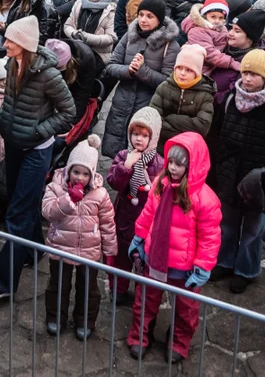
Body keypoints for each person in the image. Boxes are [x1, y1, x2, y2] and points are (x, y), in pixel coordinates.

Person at [0, 16, 76, 301]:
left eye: (10, 40)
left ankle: (2, 283)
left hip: (36, 151)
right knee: (19, 202)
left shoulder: (49, 75)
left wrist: (40, 131)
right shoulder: (12, 63)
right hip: (14, 145)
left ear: (23, 44)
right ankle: (34, 249)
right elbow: (10, 100)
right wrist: (3, 117)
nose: (5, 43)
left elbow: (68, 112)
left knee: (17, 214)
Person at [126, 133, 221, 362]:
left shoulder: (205, 199)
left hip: (184, 268)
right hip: (155, 257)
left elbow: (210, 237)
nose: (173, 167)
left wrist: (203, 266)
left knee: (186, 309)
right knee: (145, 298)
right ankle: (140, 334)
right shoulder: (160, 183)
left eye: (180, 164)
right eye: (170, 162)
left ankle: (179, 341)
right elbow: (148, 213)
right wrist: (139, 237)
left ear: (193, 166)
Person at [209, 49, 265, 294]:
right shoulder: (230, 99)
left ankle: (246, 270)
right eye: (246, 72)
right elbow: (217, 133)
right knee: (227, 223)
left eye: (254, 74)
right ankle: (225, 261)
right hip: (229, 173)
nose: (248, 78)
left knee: (253, 229)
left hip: (258, 179)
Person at [41, 134, 117, 340]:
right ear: (68, 170)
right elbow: (48, 212)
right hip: (60, 247)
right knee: (58, 285)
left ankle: (85, 320)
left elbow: (108, 224)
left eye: (85, 174)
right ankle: (56, 317)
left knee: (88, 288)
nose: (80, 178)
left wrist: (110, 251)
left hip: (89, 250)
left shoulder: (100, 195)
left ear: (92, 174)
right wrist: (68, 200)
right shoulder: (55, 188)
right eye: (76, 172)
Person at [101, 0, 180, 157]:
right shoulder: (129, 36)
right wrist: (128, 71)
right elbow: (111, 65)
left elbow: (167, 82)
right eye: (141, 14)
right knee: (118, 158)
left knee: (139, 158)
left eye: (149, 16)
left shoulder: (170, 46)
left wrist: (142, 70)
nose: (143, 20)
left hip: (147, 106)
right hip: (121, 103)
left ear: (159, 19)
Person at [106, 108, 163, 305]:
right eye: (135, 134)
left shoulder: (159, 164)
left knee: (142, 261)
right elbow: (114, 182)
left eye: (144, 135)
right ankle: (118, 291)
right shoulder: (123, 156)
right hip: (124, 217)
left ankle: (140, 296)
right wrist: (126, 167)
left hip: (146, 223)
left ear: (153, 138)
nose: (138, 139)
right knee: (121, 258)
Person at [149, 44, 216, 148]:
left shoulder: (205, 95)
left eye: (189, 70)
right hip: (160, 147)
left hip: (187, 149)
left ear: (197, 73)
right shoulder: (164, 87)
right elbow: (153, 119)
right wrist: (181, 133)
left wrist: (171, 119)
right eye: (179, 68)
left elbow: (202, 127)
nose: (182, 73)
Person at [62, 0, 117, 65]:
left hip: (98, 55)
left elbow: (111, 38)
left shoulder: (110, 11)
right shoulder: (79, 4)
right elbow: (68, 25)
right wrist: (74, 33)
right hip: (76, 49)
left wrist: (87, 37)